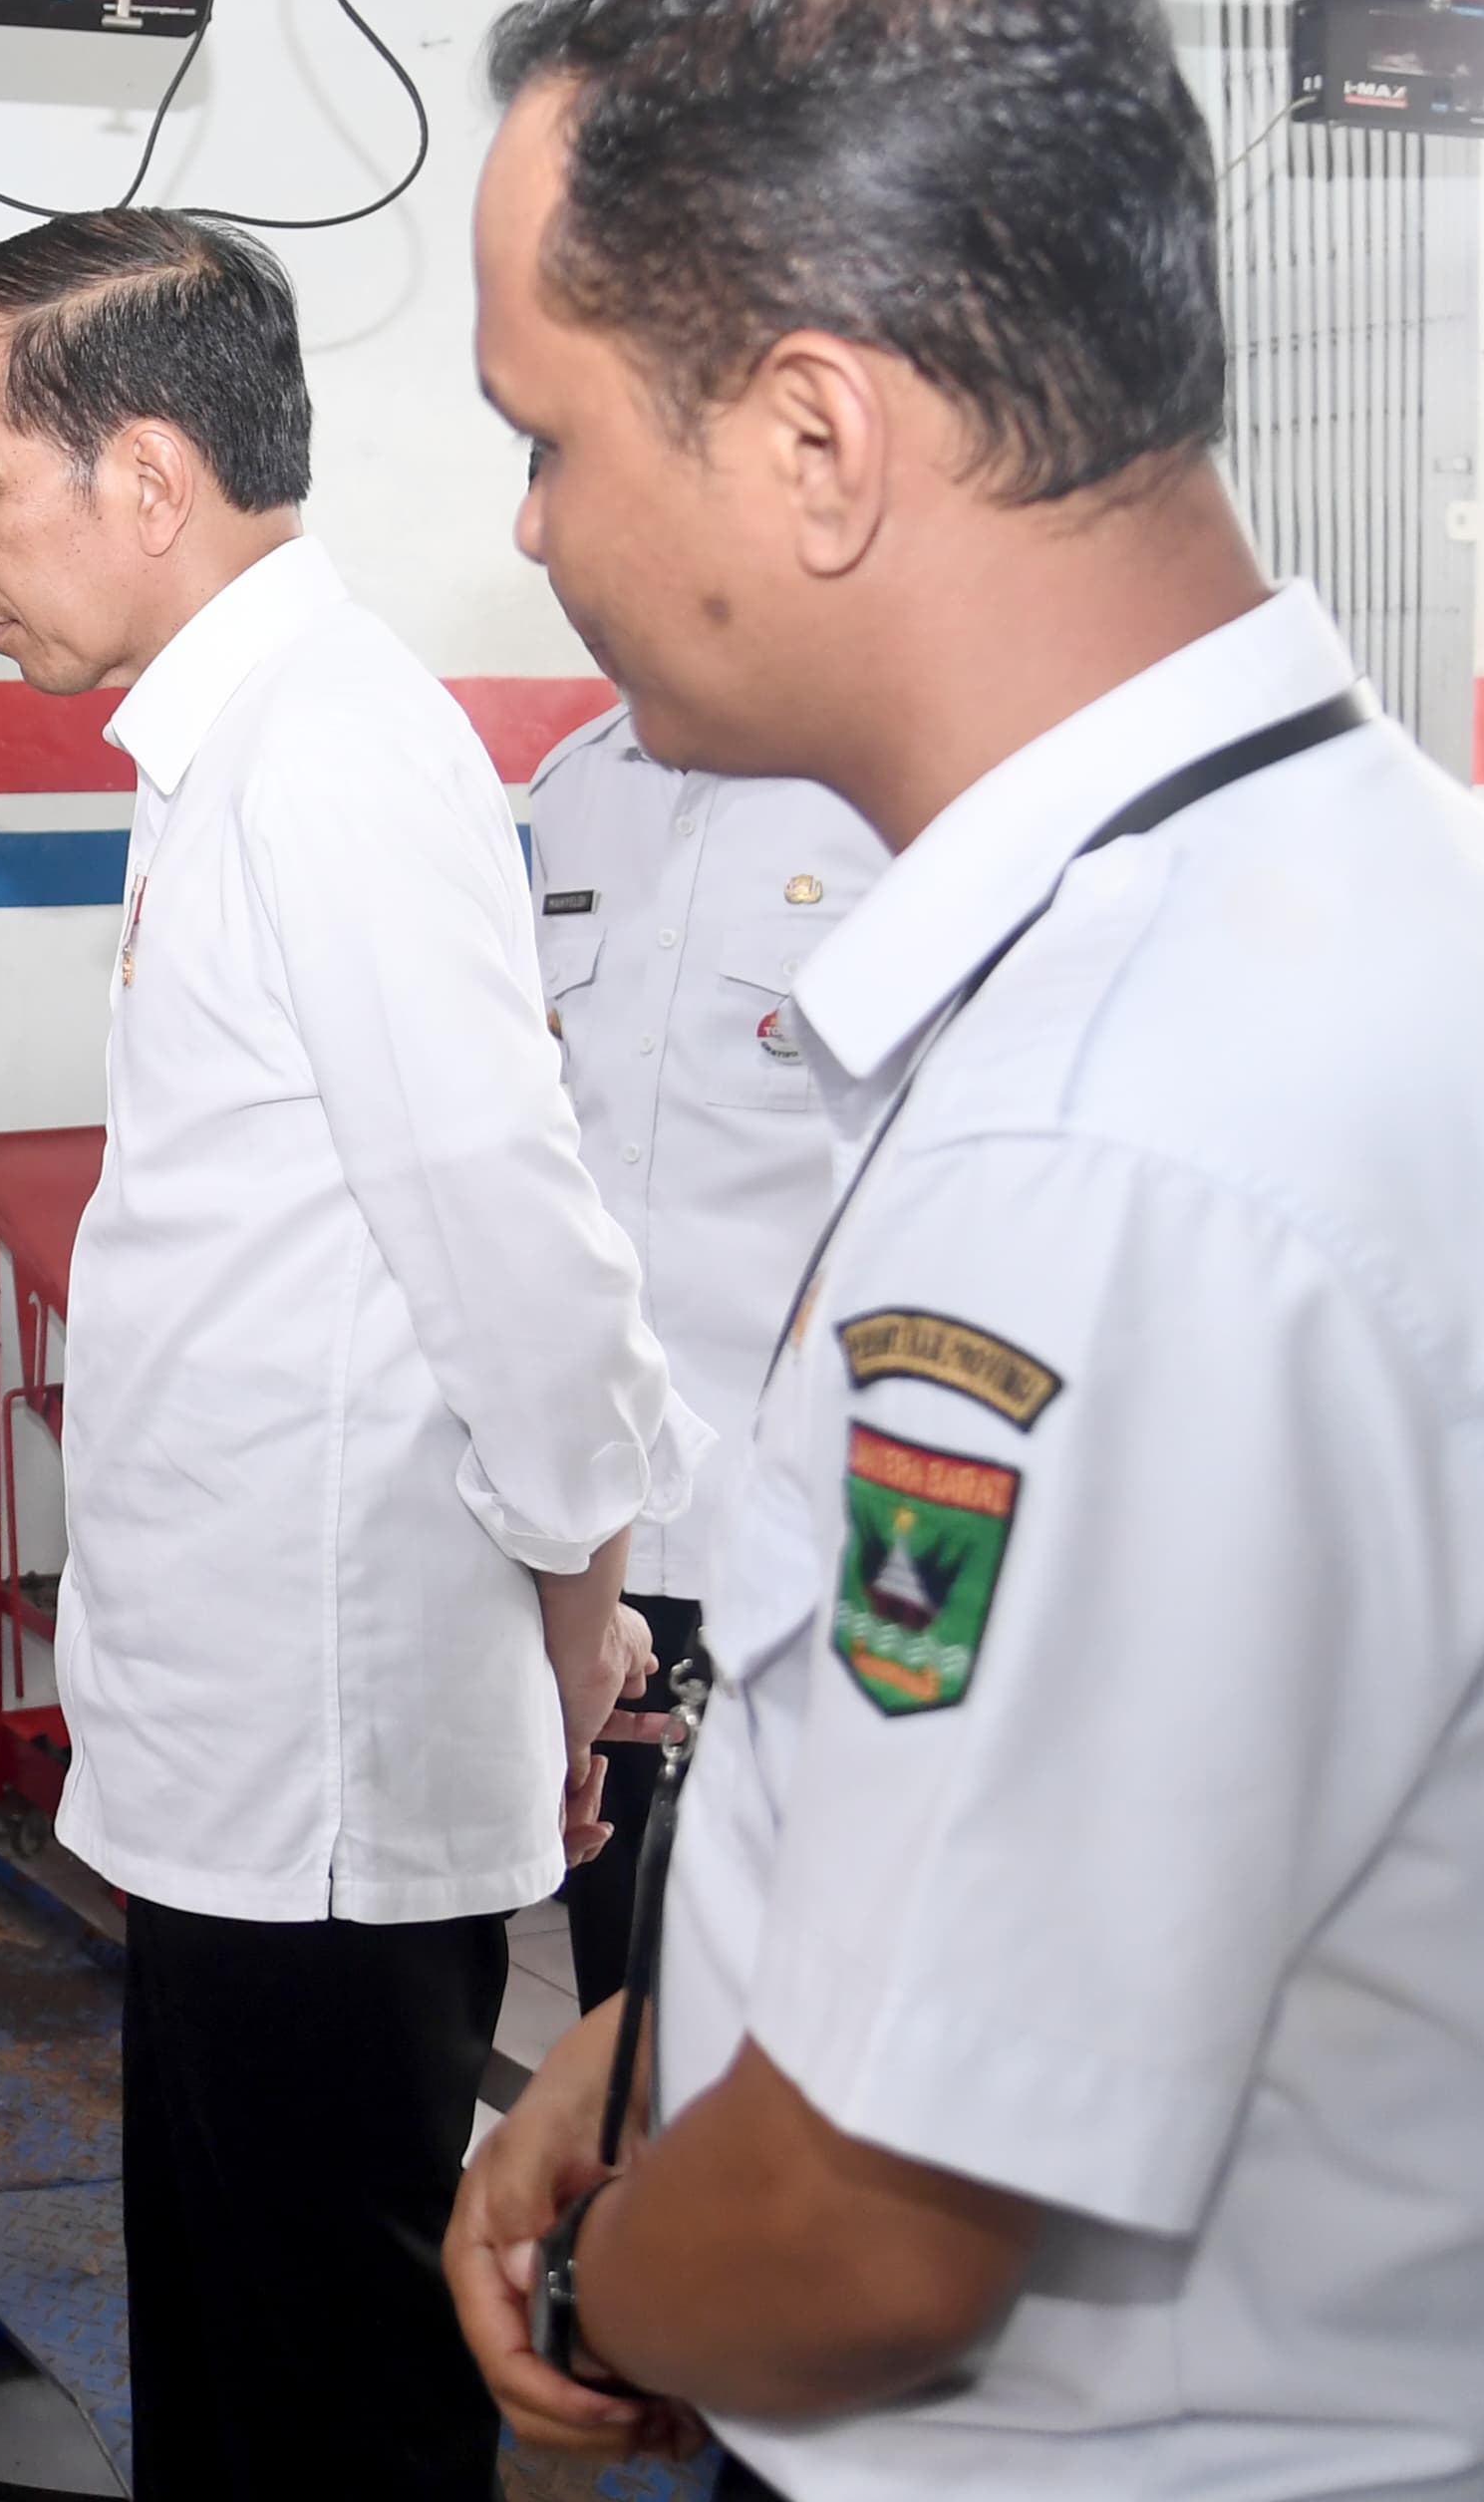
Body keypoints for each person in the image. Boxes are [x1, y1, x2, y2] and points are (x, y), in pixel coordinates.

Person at [448, 0, 1484, 2496]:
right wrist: (687, 2019)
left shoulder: (1106, 1159)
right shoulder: (1378, 902)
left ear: (816, 439)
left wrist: (604, 2276)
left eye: (548, 434)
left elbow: (873, 2236)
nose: (532, 528)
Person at [0, 208, 695, 2502]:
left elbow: (516, 1245)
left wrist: (577, 1603)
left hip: (329, 1755)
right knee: (241, 2345)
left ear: (144, 474)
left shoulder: (334, 758)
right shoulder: (237, 747)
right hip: (257, 1732)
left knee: (328, 2368)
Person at [523, 706, 882, 2015]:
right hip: (614, 1535)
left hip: (796, 1531)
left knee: (798, 1985)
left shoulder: (877, 783)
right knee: (623, 1977)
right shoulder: (573, 791)